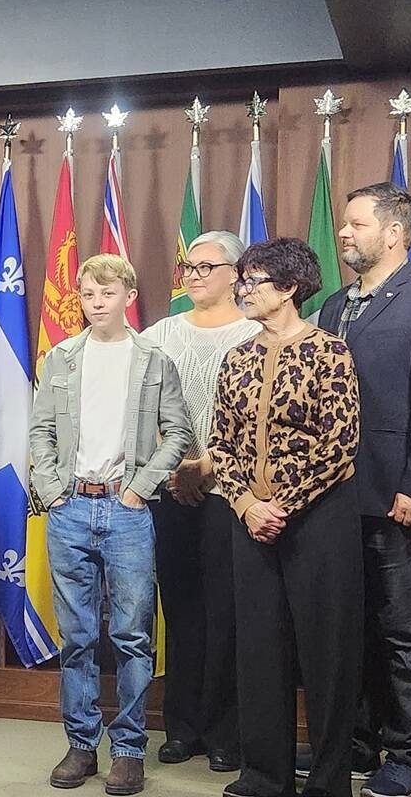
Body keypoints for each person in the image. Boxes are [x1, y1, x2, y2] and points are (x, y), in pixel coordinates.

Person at [315, 183, 411, 797]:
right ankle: (357, 745)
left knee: (403, 632)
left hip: (399, 497)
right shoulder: (334, 305)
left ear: (395, 233)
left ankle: (410, 759)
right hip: (335, 500)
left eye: (356, 224)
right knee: (349, 630)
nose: (343, 233)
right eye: (343, 224)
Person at [30, 253, 192, 796]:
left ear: (129, 296)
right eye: (88, 295)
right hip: (71, 506)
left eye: (107, 294)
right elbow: (41, 430)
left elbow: (177, 432)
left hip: (126, 510)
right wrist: (52, 491)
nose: (97, 304)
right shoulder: (62, 358)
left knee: (130, 634)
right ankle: (81, 744)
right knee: (77, 636)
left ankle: (128, 750)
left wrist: (139, 487)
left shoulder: (152, 359)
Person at [210, 238, 362, 797]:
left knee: (327, 652)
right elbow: (220, 442)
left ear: (290, 288)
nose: (242, 290)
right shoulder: (237, 358)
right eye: (241, 280)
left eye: (253, 281)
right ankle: (264, 775)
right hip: (250, 518)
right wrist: (248, 505)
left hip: (319, 518)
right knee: (259, 647)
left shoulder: (330, 353)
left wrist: (283, 505)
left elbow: (340, 442)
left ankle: (328, 780)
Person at [141, 231, 259, 773]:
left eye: (206, 266)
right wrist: (174, 470)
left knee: (227, 612)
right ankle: (181, 727)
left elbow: (257, 420)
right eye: (188, 265)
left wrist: (207, 467)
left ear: (236, 274)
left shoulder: (254, 332)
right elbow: (141, 406)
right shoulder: (162, 333)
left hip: (232, 493)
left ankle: (225, 731)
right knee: (180, 609)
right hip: (171, 489)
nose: (192, 274)